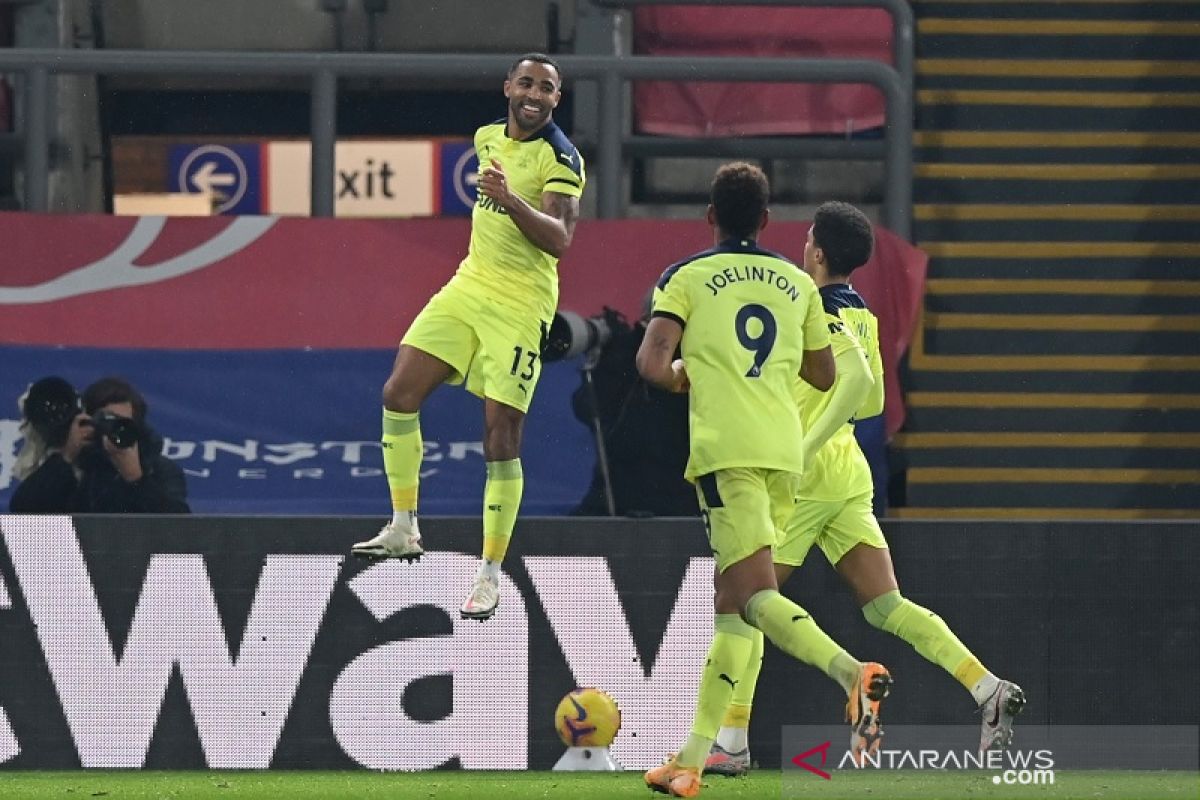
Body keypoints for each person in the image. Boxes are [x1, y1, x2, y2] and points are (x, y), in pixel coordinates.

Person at [703, 202, 1025, 778]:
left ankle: (731, 742)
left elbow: (858, 383)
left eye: (807, 240)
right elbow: (872, 402)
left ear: (818, 253)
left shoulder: (817, 306)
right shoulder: (864, 314)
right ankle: (986, 687)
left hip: (803, 472)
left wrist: (801, 446)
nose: (802, 246)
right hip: (850, 471)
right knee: (885, 606)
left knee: (745, 602)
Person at [636, 164, 891, 798]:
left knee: (750, 595)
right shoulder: (795, 282)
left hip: (730, 454)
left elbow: (651, 363)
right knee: (732, 611)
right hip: (785, 456)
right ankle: (692, 760)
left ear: (710, 216)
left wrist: (687, 376)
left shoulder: (688, 276)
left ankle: (850, 671)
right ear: (767, 220)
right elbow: (826, 376)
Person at [351, 53, 586, 621]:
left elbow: (559, 238)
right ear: (508, 86)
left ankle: (489, 573)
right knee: (398, 393)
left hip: (521, 303)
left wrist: (510, 199)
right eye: (526, 82)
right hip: (468, 285)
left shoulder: (562, 156)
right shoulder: (486, 137)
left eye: (546, 88)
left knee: (500, 436)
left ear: (557, 99)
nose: (534, 93)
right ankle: (404, 525)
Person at [9, 376, 190, 514]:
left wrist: (136, 479)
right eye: (106, 420)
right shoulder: (77, 469)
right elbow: (23, 511)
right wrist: (67, 456)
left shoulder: (159, 469)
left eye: (123, 423)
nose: (114, 430)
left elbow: (178, 527)